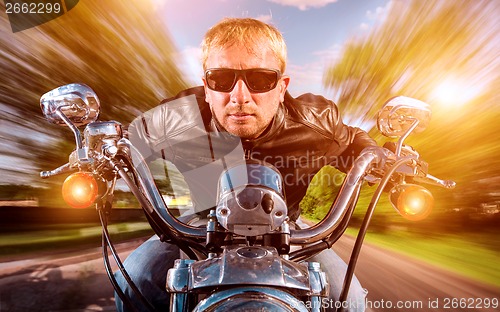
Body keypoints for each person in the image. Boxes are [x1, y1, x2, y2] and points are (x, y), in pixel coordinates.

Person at [116, 17, 376, 311]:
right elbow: (128, 139)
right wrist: (101, 149)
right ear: (206, 86)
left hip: (287, 229)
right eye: (221, 79)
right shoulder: (176, 120)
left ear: (281, 87)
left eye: (260, 79)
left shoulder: (315, 124)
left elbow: (354, 141)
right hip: (197, 229)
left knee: (349, 298)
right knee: (133, 280)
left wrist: (377, 156)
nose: (240, 96)